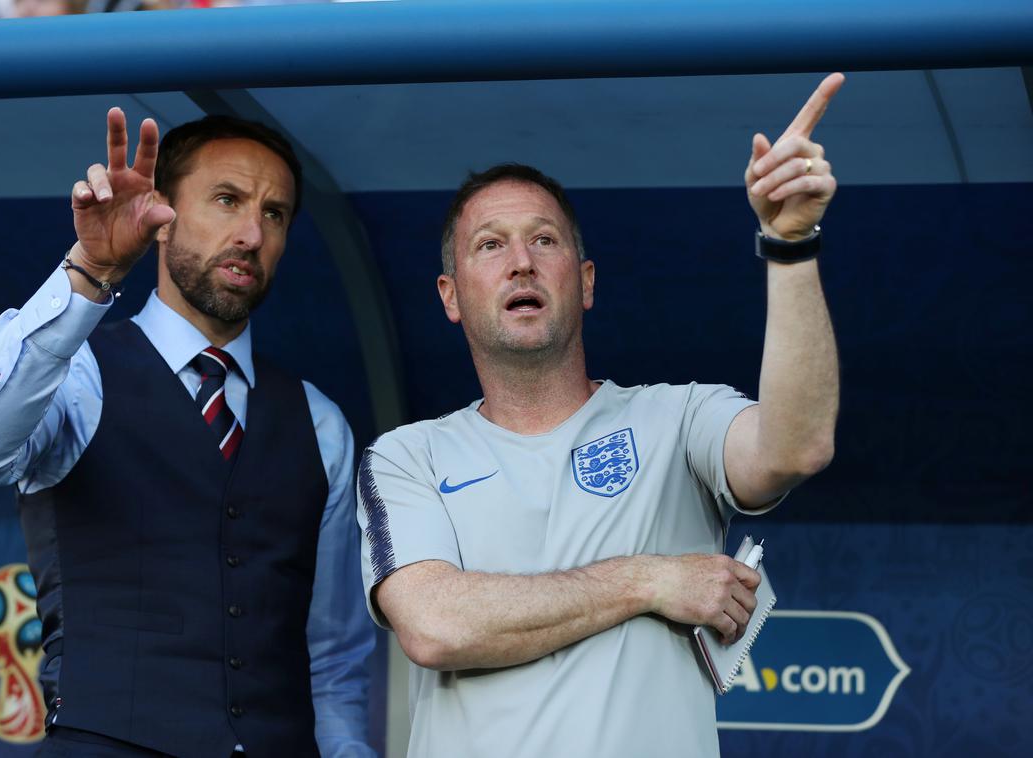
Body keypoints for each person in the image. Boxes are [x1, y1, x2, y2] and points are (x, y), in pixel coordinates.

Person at [356, 74, 844, 756]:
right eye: (490, 245)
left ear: (584, 282)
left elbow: (795, 448)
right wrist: (652, 578)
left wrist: (791, 245)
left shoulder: (679, 418)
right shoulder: (409, 455)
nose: (521, 262)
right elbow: (436, 626)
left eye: (545, 241)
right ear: (451, 295)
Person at [0, 109, 375, 757]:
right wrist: (91, 268)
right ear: (161, 216)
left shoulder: (320, 422)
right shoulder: (76, 372)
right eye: (227, 200)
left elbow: (334, 658)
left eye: (275, 214)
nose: (252, 233)